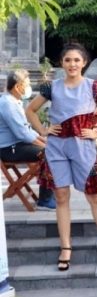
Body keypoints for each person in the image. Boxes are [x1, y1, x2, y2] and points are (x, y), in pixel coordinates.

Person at [25, 43, 97, 271]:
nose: (72, 64)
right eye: (68, 60)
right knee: (61, 196)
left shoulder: (94, 87)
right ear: (62, 63)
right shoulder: (52, 87)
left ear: (84, 63)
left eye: (76, 60)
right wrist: (43, 130)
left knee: (95, 197)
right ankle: (65, 247)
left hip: (83, 147)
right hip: (57, 147)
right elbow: (30, 110)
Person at [0, 70, 55, 209]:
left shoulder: (13, 102)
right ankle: (45, 200)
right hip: (8, 149)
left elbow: (27, 130)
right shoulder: (7, 104)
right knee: (49, 154)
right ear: (18, 87)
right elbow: (23, 134)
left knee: (51, 149)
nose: (29, 88)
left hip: (16, 145)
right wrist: (46, 145)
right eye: (27, 84)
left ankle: (48, 194)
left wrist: (44, 141)